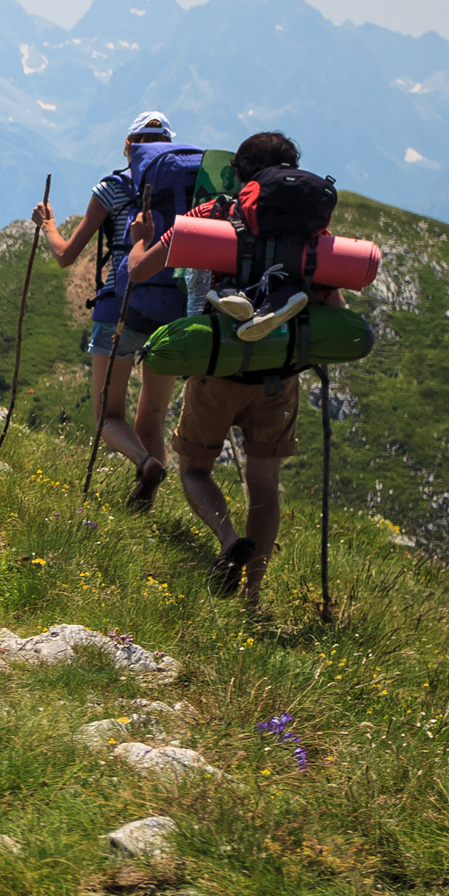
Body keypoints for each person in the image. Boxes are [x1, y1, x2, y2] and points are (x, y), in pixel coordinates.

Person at [124, 130, 309, 606]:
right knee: (265, 484)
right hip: (279, 372)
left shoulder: (212, 214)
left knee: (194, 469)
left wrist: (139, 239)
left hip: (219, 366)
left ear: (238, 172)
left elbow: (141, 270)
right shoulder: (309, 231)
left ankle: (228, 541)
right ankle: (253, 597)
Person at [31, 110, 189, 510]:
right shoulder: (185, 192)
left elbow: (67, 256)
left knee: (108, 416)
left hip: (121, 306)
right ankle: (142, 511)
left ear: (128, 147)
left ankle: (146, 463)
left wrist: (48, 225)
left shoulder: (113, 187)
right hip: (172, 309)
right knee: (150, 418)